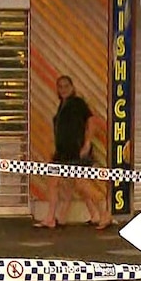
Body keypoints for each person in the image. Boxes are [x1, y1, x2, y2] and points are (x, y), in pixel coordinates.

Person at [34, 75, 112, 229]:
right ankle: (52, 218)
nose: (63, 89)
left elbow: (92, 121)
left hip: (76, 152)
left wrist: (87, 143)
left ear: (72, 88)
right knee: (54, 182)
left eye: (66, 86)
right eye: (60, 86)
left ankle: (105, 213)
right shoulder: (62, 105)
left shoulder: (78, 103)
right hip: (63, 153)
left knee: (82, 184)